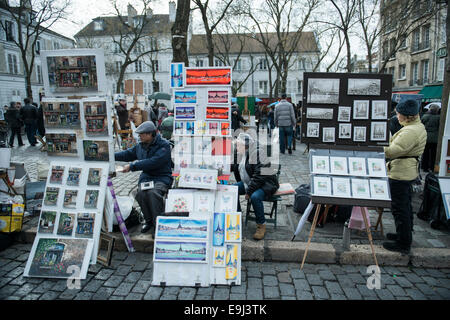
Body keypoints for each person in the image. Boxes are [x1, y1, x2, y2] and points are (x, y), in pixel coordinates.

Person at [383, 99, 427, 254]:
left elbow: (392, 151)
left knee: (400, 208)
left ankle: (403, 242)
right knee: (404, 206)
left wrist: (379, 143)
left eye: (399, 113)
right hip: (405, 170)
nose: (397, 115)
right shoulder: (414, 127)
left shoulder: (410, 131)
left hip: (401, 173)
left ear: (407, 116)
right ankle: (403, 235)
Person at [114, 121, 173, 234]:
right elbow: (127, 154)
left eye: (141, 134)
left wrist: (132, 166)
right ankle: (149, 221)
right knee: (140, 193)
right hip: (147, 178)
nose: (139, 136)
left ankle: (158, 224)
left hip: (162, 177)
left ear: (150, 134)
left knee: (153, 193)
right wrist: (109, 155)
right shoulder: (140, 146)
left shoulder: (164, 145)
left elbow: (153, 162)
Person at [233, 133, 279, 240]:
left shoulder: (258, 153)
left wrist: (248, 192)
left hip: (266, 184)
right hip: (250, 182)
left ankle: (261, 225)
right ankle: (237, 217)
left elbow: (260, 176)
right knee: (232, 190)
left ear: (246, 146)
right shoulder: (240, 153)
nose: (236, 147)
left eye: (238, 145)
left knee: (254, 197)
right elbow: (235, 167)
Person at [420, 104, 440, 172]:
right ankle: (432, 167)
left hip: (426, 137)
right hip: (435, 138)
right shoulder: (438, 118)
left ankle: (424, 167)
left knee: (425, 153)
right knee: (433, 154)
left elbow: (421, 125)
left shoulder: (425, 116)